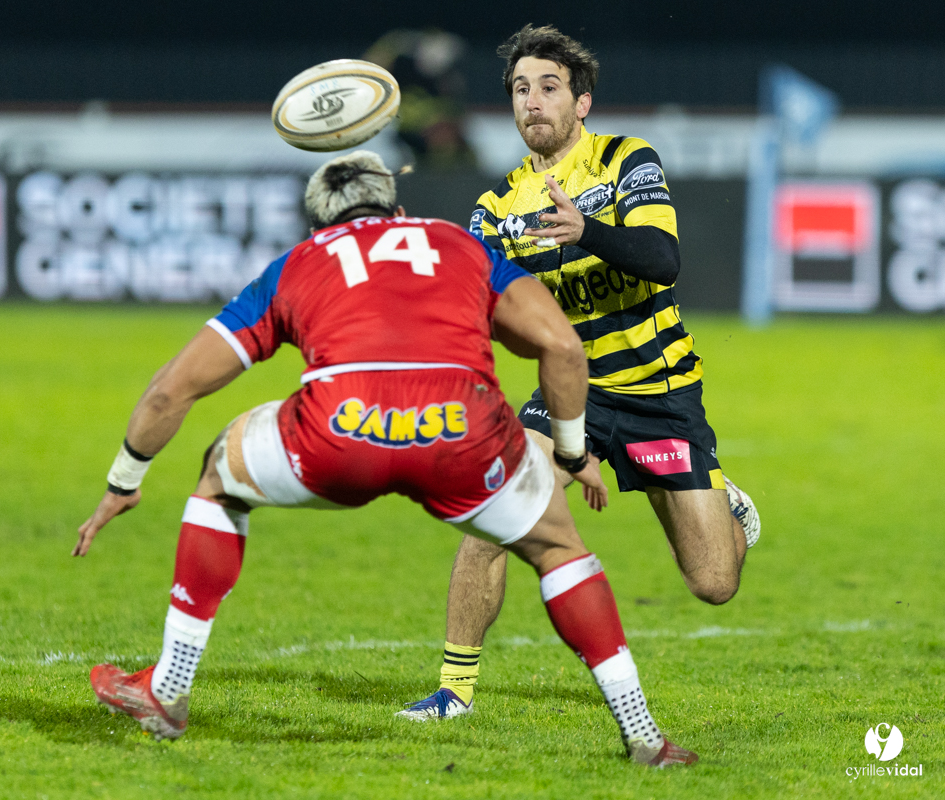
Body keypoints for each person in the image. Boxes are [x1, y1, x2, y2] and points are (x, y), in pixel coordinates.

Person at [72, 150, 697, 767]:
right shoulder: (458, 244)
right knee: (559, 548)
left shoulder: (298, 263)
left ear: (317, 225)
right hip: (463, 436)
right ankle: (643, 734)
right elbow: (561, 347)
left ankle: (168, 689)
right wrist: (572, 451)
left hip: (338, 436)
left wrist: (125, 481)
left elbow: (171, 391)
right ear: (397, 211)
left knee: (219, 476)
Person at [399, 24, 761, 722]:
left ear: (582, 102)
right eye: (520, 89)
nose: (533, 101)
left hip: (660, 395)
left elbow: (663, 260)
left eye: (549, 87)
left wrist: (585, 230)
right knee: (492, 514)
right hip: (571, 397)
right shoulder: (496, 209)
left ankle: (725, 504)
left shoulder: (626, 160)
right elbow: (478, 312)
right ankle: (454, 690)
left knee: (713, 582)